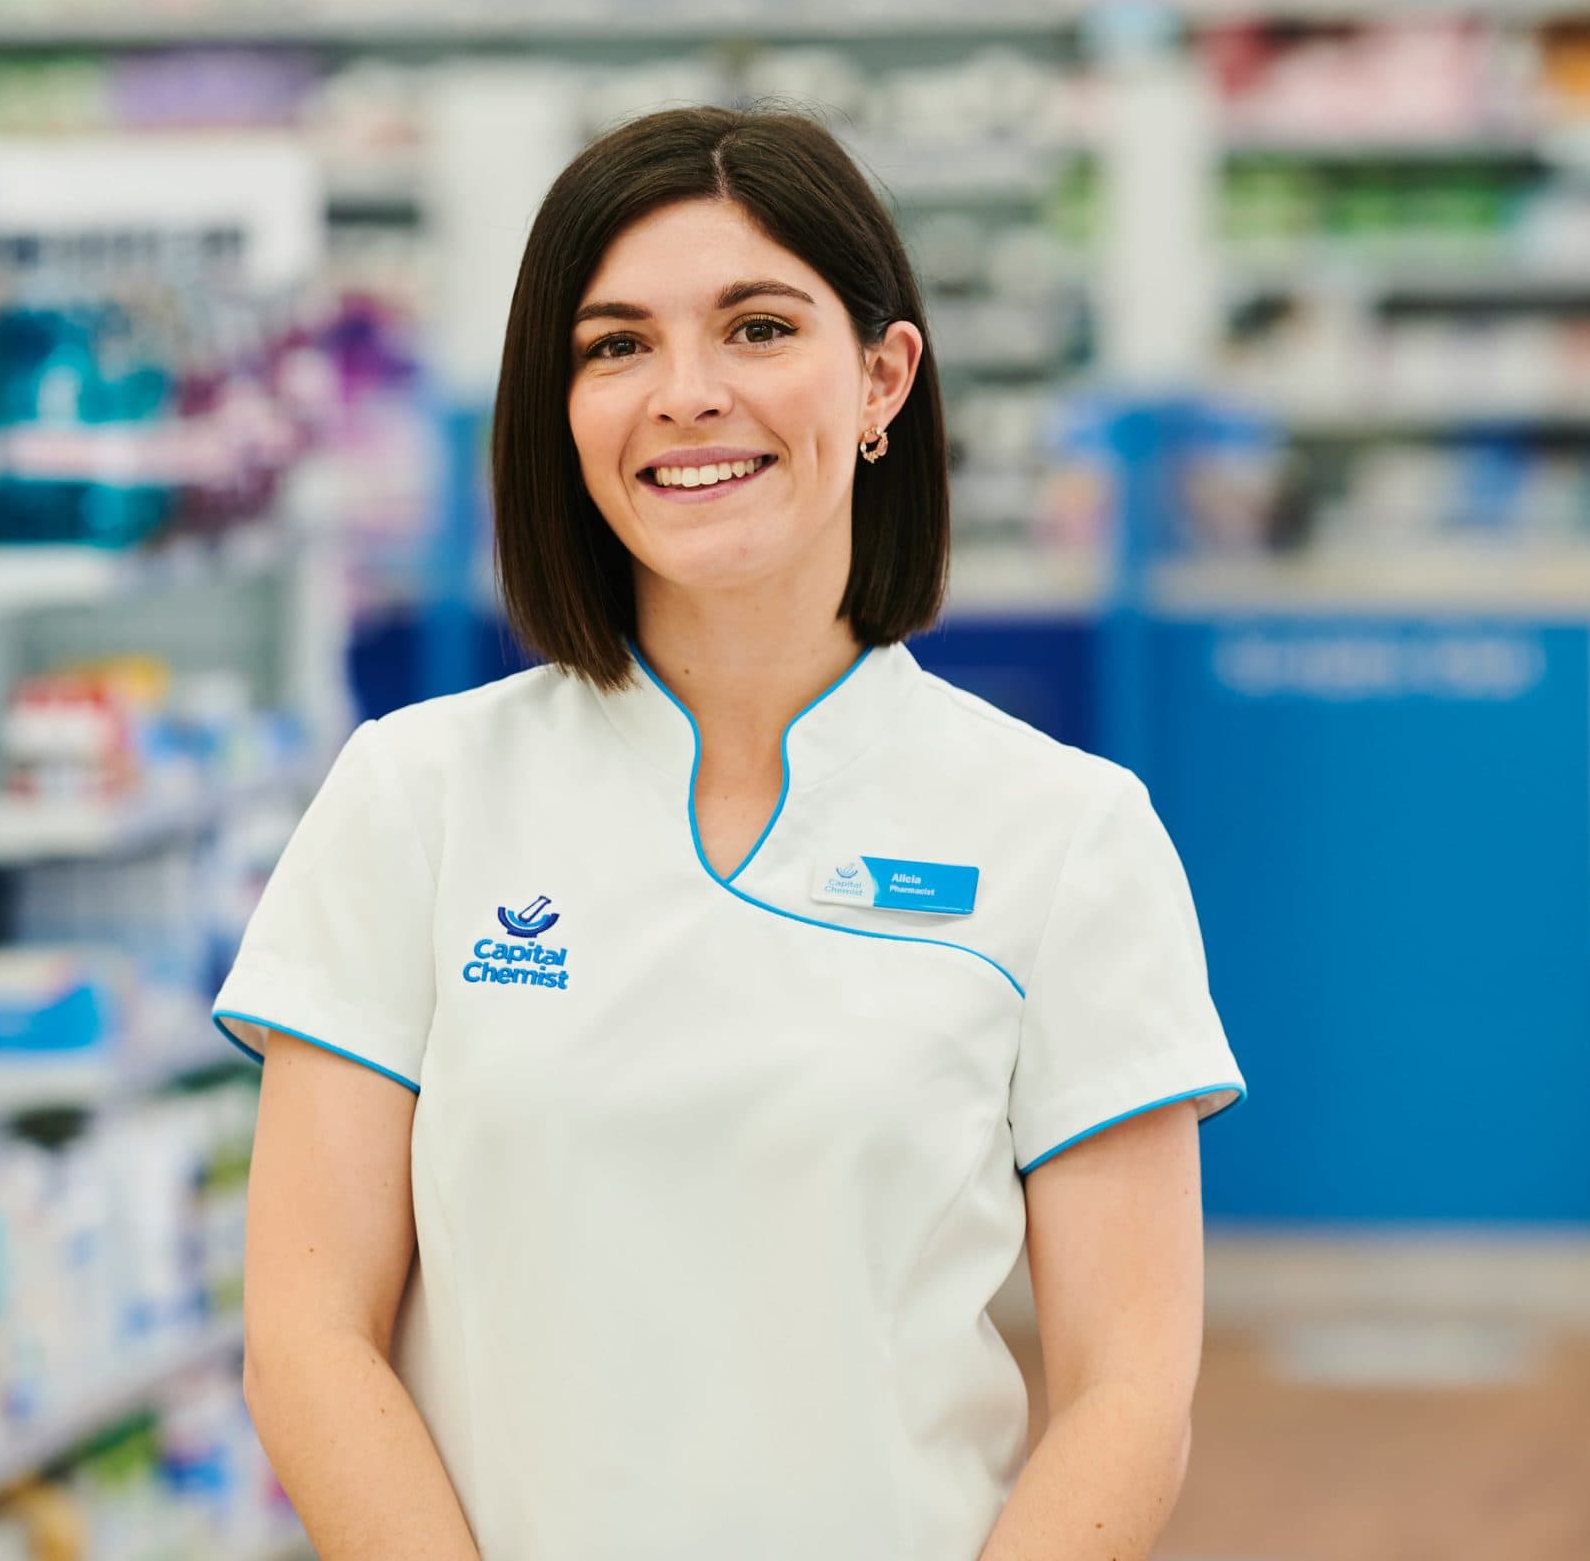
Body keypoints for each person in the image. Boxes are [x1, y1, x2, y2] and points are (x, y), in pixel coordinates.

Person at [214, 107, 1244, 1560]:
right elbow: (308, 1335)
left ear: (884, 376)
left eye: (758, 328)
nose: (686, 392)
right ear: (556, 411)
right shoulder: (418, 793)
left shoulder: (1065, 833)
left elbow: (1129, 1389)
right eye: (615, 344)